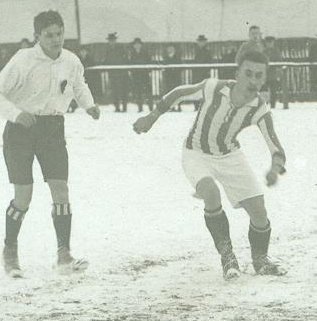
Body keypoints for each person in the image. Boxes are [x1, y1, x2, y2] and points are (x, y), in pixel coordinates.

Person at [133, 44, 287, 279]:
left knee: (259, 210)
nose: (253, 81)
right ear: (237, 74)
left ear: (265, 78)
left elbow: (275, 146)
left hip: (229, 155)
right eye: (248, 74)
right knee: (211, 193)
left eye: (259, 75)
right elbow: (179, 93)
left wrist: (275, 169)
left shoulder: (259, 109)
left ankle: (260, 261)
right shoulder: (214, 88)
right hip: (196, 152)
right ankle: (228, 258)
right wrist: (152, 117)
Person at [0, 10, 101, 278]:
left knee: (61, 191)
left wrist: (89, 105)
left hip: (52, 129)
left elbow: (79, 85)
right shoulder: (23, 60)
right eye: (49, 35)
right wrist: (17, 114)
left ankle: (64, 254)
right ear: (37, 36)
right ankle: (10, 252)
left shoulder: (70, 61)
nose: (55, 40)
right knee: (23, 197)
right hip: (21, 131)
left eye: (59, 33)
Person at [103, 33, 129, 113]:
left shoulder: (121, 49)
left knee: (123, 90)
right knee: (114, 90)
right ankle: (117, 107)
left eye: (113, 40)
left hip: (122, 73)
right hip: (113, 73)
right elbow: (106, 61)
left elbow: (125, 59)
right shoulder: (108, 50)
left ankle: (124, 107)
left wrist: (123, 68)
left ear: (115, 41)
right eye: (110, 41)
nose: (112, 42)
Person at [128, 38, 153, 111]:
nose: (137, 46)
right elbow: (131, 64)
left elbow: (149, 62)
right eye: (135, 44)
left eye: (138, 44)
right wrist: (133, 73)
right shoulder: (132, 54)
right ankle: (140, 108)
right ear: (133, 46)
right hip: (136, 76)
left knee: (148, 92)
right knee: (138, 92)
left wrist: (147, 71)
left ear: (141, 45)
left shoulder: (145, 53)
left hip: (144, 76)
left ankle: (150, 108)